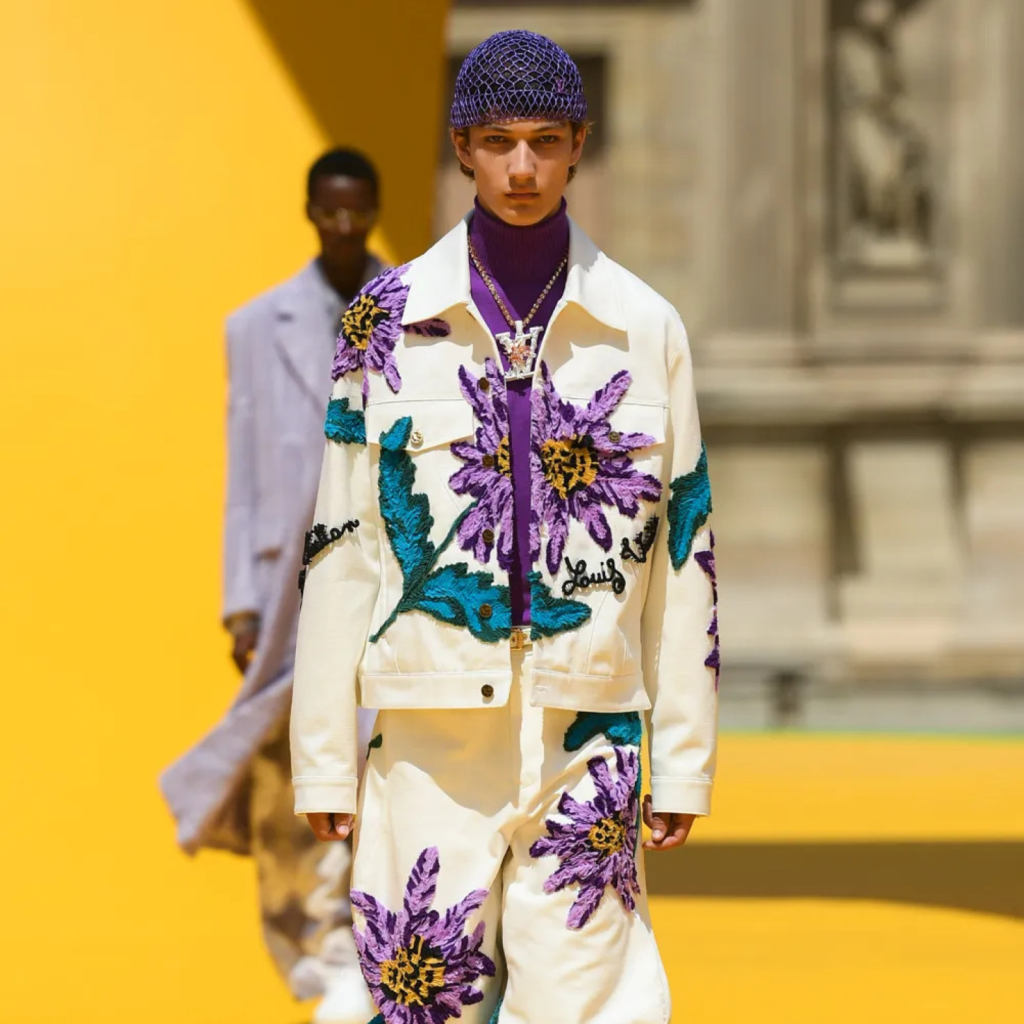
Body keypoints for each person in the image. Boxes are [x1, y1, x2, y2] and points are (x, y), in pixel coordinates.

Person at [290, 30, 718, 1024]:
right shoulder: (384, 321)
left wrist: (684, 758)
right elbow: (340, 545)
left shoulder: (646, 327)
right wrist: (323, 754)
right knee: (419, 1003)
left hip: (591, 730)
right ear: (461, 149)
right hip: (427, 733)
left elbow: (685, 550)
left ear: (578, 147)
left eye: (544, 141)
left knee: (591, 1008)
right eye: (497, 142)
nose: (521, 168)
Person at [162, 148, 383, 1024]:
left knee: (375, 751)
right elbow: (244, 468)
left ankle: (360, 942)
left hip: (384, 566)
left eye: (357, 212)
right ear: (309, 212)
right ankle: (313, 944)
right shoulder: (256, 326)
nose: (344, 227)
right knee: (289, 763)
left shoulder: (420, 312)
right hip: (288, 586)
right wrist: (241, 604)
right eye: (330, 211)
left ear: (373, 211)